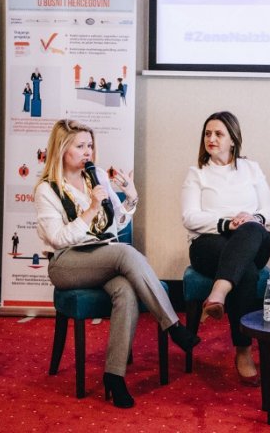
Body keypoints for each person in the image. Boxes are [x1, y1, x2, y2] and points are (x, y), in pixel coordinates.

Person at [34, 119, 200, 409]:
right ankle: (172, 325)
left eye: (90, 145)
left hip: (102, 255)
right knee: (125, 253)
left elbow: (116, 224)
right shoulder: (47, 190)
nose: (88, 152)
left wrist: (131, 196)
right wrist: (90, 210)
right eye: (80, 146)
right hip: (66, 263)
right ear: (61, 149)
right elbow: (59, 238)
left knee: (125, 290)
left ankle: (114, 375)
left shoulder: (95, 176)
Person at [181, 111, 270, 387]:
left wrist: (250, 219)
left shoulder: (251, 169)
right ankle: (244, 351)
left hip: (253, 237)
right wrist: (225, 224)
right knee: (245, 273)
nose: (211, 138)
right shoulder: (197, 173)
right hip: (208, 244)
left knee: (252, 229)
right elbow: (189, 217)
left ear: (233, 140)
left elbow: (269, 211)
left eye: (218, 134)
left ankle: (218, 292)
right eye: (207, 133)